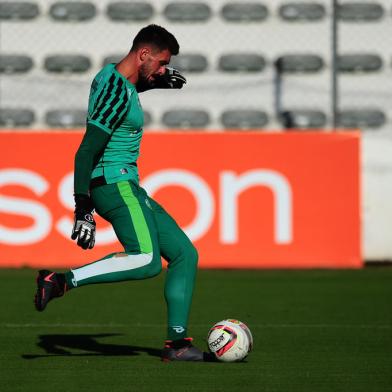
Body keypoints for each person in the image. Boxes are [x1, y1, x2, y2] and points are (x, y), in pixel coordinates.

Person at [34, 24, 206, 362]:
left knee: (185, 254)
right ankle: (61, 280)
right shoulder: (116, 89)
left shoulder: (112, 78)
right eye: (159, 63)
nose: (162, 69)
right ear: (143, 54)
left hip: (127, 185)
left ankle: (177, 344)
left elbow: (120, 99)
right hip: (114, 184)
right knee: (145, 259)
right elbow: (85, 152)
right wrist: (81, 206)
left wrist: (151, 84)